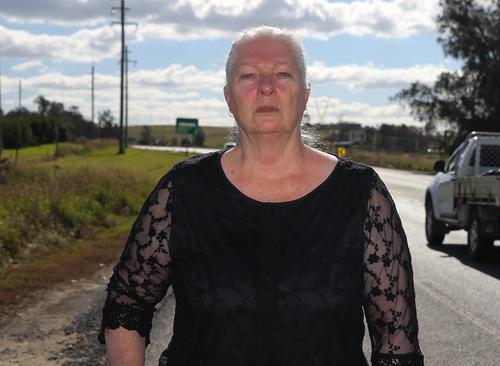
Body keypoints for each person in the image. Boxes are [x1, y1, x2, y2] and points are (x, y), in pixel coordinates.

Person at [98, 26, 423, 366]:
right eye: (249, 75)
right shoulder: (182, 191)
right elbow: (128, 299)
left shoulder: (361, 194)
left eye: (283, 73)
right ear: (228, 98)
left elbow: (396, 342)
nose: (266, 87)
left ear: (305, 93)